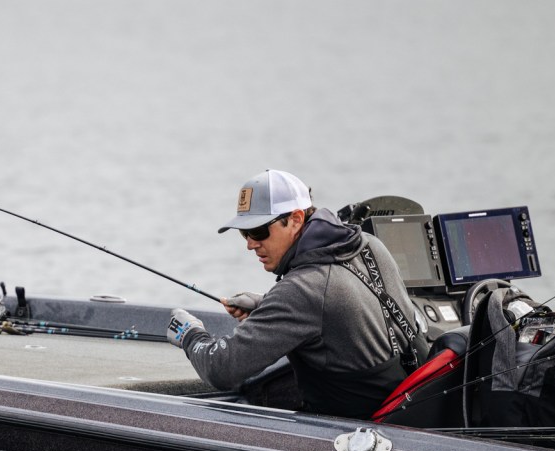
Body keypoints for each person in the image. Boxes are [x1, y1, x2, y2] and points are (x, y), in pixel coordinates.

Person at [166, 169, 427, 419]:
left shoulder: (302, 291)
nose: (250, 244)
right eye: (244, 233)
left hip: (356, 432)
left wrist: (189, 334)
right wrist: (266, 304)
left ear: (296, 219)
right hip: (414, 406)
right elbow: (340, 307)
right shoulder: (372, 245)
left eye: (258, 231)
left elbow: (221, 368)